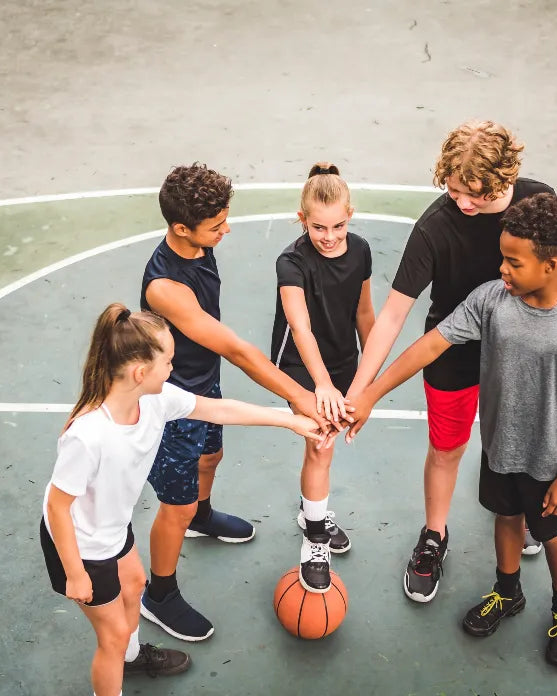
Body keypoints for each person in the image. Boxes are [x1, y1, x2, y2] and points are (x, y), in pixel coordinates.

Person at [346, 193, 557, 667]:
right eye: (502, 259)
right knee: (505, 519)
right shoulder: (491, 300)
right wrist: (369, 393)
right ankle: (507, 591)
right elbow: (429, 346)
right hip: (499, 449)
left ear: (552, 265)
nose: (503, 269)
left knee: (553, 536)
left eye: (513, 262)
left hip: (549, 461)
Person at [40, 303, 324, 696]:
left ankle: (133, 658)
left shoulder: (155, 399)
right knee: (113, 636)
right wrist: (74, 572)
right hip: (81, 543)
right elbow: (57, 506)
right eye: (169, 361)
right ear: (141, 372)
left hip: (110, 526)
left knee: (136, 583)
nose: (173, 368)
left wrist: (291, 420)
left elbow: (218, 409)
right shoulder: (89, 435)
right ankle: (120, 661)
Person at [345, 120, 554, 603]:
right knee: (447, 449)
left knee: (516, 444)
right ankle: (434, 536)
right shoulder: (435, 227)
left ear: (506, 177)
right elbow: (394, 313)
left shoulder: (538, 205)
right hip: (452, 350)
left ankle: (515, 516)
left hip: (520, 352)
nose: (462, 202)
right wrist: (360, 389)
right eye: (454, 189)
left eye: (474, 193)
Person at [139, 163, 335, 641]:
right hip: (171, 401)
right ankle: (159, 594)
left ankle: (202, 517)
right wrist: (301, 398)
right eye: (216, 225)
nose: (227, 229)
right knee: (174, 506)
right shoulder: (165, 286)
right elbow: (237, 348)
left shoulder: (198, 244)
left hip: (202, 380)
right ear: (181, 228)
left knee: (213, 456)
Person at [270, 163, 375, 591]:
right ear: (302, 220)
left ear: (350, 215)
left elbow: (365, 313)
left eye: (338, 226)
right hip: (300, 363)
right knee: (321, 441)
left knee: (324, 446)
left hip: (344, 359)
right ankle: (315, 537)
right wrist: (323, 385)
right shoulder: (291, 262)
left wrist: (370, 378)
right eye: (318, 227)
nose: (329, 236)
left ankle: (311, 510)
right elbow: (301, 328)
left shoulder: (362, 250)